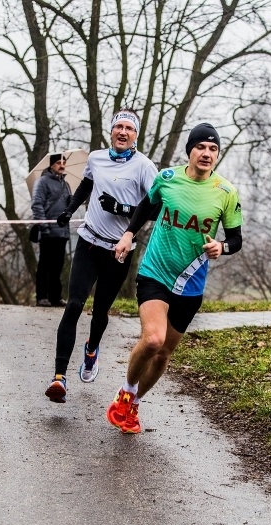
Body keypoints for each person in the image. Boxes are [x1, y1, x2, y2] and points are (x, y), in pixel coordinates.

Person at [106, 123, 243, 434]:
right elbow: (146, 206)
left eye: (213, 149)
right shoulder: (167, 179)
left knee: (164, 352)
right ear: (190, 151)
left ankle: (136, 403)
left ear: (217, 155)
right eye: (201, 147)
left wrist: (222, 246)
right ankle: (126, 391)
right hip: (155, 271)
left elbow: (236, 239)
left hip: (191, 283)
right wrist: (128, 234)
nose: (207, 153)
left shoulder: (226, 192)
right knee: (153, 339)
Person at [44, 109, 158, 403]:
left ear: (136, 135)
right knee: (74, 305)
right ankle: (59, 378)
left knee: (100, 312)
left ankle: (92, 349)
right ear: (111, 131)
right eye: (118, 127)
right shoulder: (96, 158)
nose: (122, 132)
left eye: (128, 128)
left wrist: (120, 209)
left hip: (119, 251)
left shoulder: (144, 167)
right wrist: (69, 209)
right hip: (89, 242)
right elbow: (87, 184)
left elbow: (155, 208)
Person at [31, 153, 71, 307]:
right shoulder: (42, 182)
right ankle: (41, 296)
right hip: (47, 231)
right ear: (51, 165)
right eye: (58, 162)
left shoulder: (65, 185)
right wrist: (44, 226)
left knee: (58, 266)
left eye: (64, 162)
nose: (62, 165)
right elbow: (37, 204)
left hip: (62, 232)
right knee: (44, 266)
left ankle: (55, 297)